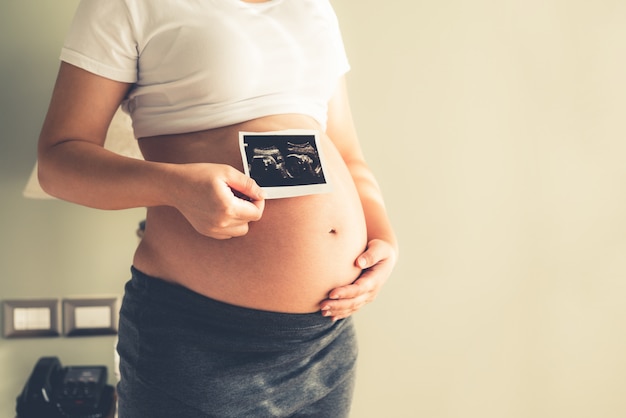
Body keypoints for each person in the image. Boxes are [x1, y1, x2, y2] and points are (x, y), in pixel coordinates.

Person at [37, 0, 398, 417]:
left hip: (323, 342)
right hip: (200, 340)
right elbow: (57, 163)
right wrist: (173, 186)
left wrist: (382, 234)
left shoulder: (312, 6)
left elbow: (348, 154)